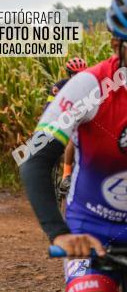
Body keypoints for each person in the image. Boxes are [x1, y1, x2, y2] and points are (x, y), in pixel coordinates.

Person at [21, 0, 127, 292]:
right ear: (117, 45)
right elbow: (36, 159)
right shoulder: (90, 87)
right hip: (92, 235)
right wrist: (57, 232)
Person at [49, 57, 89, 192]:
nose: (78, 77)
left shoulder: (90, 86)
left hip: (83, 118)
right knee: (72, 139)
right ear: (69, 74)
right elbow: (50, 106)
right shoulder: (60, 86)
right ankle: (66, 174)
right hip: (63, 119)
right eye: (74, 74)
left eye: (81, 74)